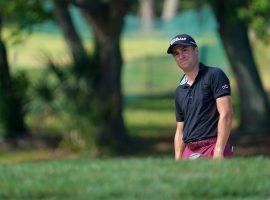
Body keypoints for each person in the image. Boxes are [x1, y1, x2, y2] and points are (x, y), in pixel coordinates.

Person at [167, 34, 233, 160]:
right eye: (176, 53)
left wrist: (218, 151)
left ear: (196, 50)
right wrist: (178, 159)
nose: (181, 56)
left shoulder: (214, 75)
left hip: (213, 146)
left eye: (185, 50)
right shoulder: (180, 90)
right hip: (189, 150)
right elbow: (180, 129)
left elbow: (226, 114)